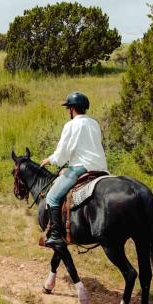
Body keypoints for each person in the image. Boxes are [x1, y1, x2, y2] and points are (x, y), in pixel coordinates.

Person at [39, 91, 107, 250]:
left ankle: (55, 236)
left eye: (68, 108)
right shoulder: (94, 123)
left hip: (80, 167)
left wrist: (51, 160)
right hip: (101, 168)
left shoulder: (71, 125)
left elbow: (64, 151)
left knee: (52, 197)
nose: (68, 111)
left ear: (72, 109)